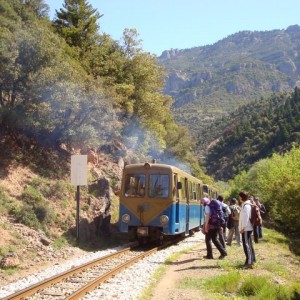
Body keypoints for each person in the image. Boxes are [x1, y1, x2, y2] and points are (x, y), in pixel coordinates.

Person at [239, 191, 256, 268]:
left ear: (241, 197)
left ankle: (249, 263)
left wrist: (243, 228)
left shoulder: (246, 206)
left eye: (239, 197)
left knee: (246, 245)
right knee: (249, 244)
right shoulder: (246, 204)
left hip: (246, 228)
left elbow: (245, 218)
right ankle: (252, 259)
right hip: (247, 228)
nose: (238, 198)